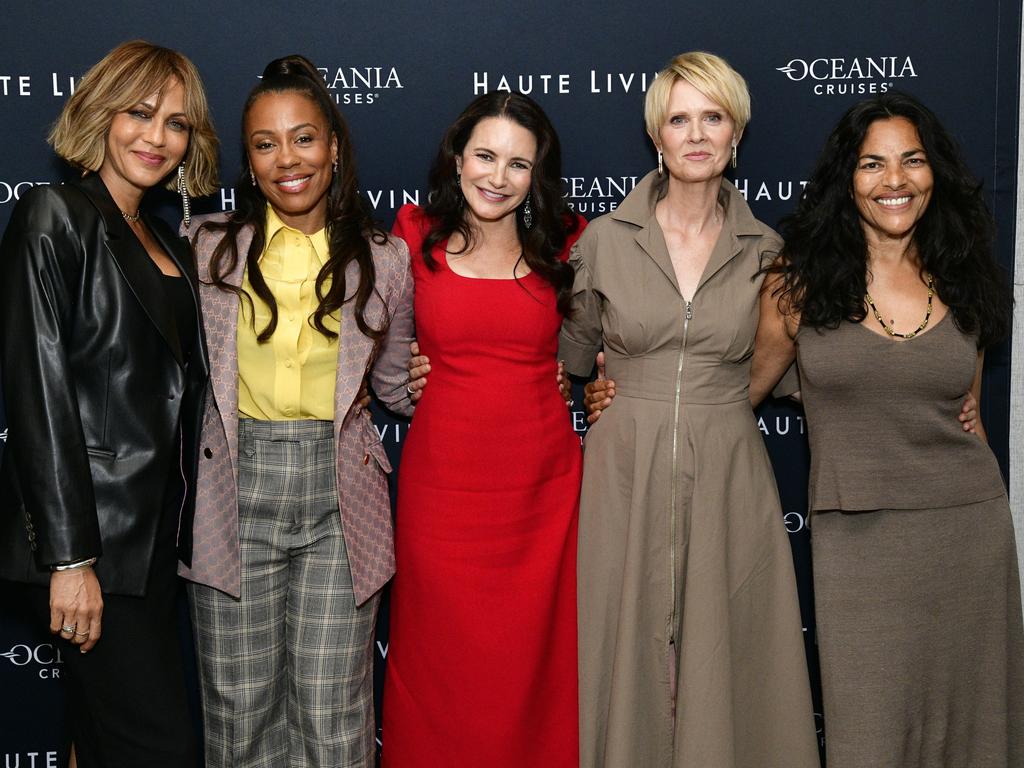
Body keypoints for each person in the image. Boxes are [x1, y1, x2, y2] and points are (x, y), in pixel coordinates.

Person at [557, 52, 820, 767]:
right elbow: (564, 362)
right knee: (620, 646)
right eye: (679, 118)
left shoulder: (770, 253)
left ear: (736, 135)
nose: (696, 134)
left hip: (730, 466)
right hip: (622, 469)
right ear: (657, 137)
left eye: (713, 117)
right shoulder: (604, 243)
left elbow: (810, 370)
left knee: (728, 652)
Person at [749, 92, 1023, 768]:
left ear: (936, 174)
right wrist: (623, 394)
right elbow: (733, 394)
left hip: (970, 536)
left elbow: (970, 416)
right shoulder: (797, 284)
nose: (894, 181)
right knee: (868, 733)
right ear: (847, 179)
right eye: (873, 164)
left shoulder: (965, 276)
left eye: (912, 161)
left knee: (978, 732)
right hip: (859, 543)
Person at [179, 55, 413, 768]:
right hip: (232, 496)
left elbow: (401, 384)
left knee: (332, 711)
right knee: (239, 708)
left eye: (304, 137)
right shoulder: (205, 246)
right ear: (247, 161)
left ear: (334, 146)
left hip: (340, 498)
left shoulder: (386, 259)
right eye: (266, 143)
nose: (289, 159)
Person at [0, 40, 218, 767]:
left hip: (153, 545)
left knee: (99, 742)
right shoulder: (53, 216)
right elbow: (39, 394)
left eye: (177, 123)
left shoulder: (167, 239)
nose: (157, 138)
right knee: (160, 748)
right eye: (141, 113)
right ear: (102, 111)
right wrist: (70, 559)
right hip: (88, 543)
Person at [381, 91, 585, 767]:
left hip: (543, 491)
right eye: (486, 156)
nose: (498, 177)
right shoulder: (413, 236)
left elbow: (611, 344)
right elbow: (379, 353)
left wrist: (592, 378)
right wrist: (405, 378)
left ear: (537, 175)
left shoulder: (569, 243)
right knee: (443, 665)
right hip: (443, 495)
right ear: (458, 158)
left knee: (538, 662)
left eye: (518, 164)